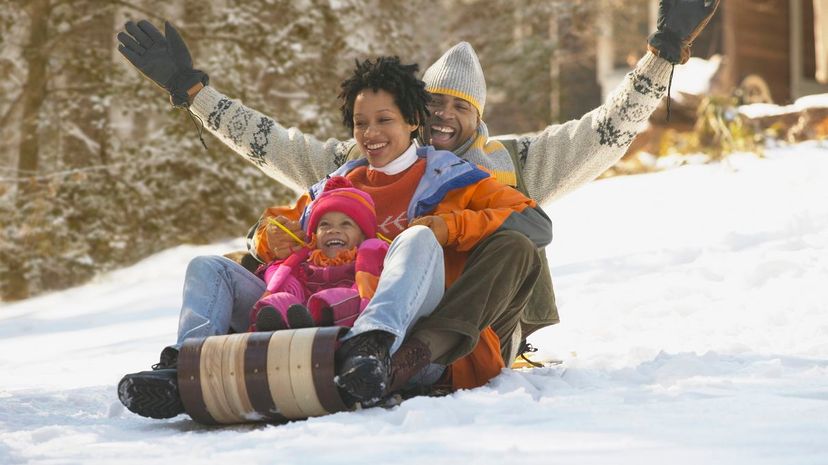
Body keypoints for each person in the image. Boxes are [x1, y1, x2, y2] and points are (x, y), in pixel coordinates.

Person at [116, 0, 720, 369]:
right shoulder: (363, 156)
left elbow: (606, 131)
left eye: (457, 107)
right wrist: (193, 94)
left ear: (478, 115)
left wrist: (663, 55)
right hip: (366, 302)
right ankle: (210, 358)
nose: (441, 117)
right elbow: (269, 140)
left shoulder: (514, 164)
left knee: (513, 239)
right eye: (430, 105)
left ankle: (416, 356)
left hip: (472, 321)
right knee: (252, 252)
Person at [116, 55, 552, 418]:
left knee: (416, 241)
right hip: (315, 317)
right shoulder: (335, 183)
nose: (371, 134)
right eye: (361, 123)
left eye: (385, 120)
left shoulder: (455, 179)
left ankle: (372, 345)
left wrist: (447, 226)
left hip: (404, 335)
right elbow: (272, 224)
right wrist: (271, 240)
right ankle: (184, 367)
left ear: (414, 122)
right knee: (209, 266)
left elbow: (535, 223)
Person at [249, 176, 389, 332]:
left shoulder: (366, 261)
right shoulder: (307, 261)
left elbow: (371, 285)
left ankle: (320, 319)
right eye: (324, 224)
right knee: (279, 301)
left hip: (343, 317)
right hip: (301, 313)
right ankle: (273, 324)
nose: (333, 230)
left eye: (346, 224)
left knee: (341, 298)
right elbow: (277, 270)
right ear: (314, 236)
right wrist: (286, 283)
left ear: (362, 236)